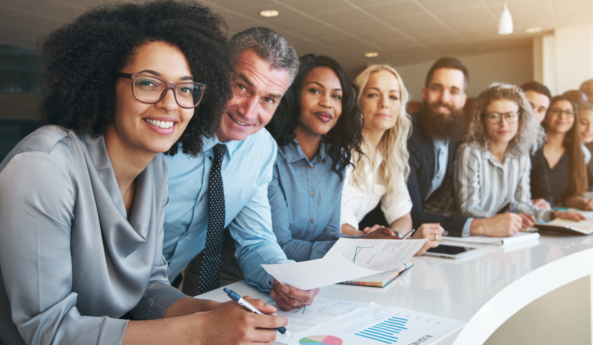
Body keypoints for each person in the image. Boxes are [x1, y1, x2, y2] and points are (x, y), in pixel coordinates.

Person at [0, 2, 287, 345]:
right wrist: (201, 328)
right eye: (148, 83)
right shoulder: (43, 167)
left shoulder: (154, 169)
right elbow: (50, 335)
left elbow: (149, 287)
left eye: (185, 89)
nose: (170, 104)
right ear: (106, 84)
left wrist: (213, 314)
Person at [162, 28, 320, 309]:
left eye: (268, 99)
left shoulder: (261, 149)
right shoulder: (166, 127)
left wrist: (284, 277)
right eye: (242, 87)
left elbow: (255, 240)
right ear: (218, 74)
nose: (248, 112)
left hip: (163, 294)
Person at [392, 57, 528, 238]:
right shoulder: (405, 135)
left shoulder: (457, 135)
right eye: (436, 88)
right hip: (383, 235)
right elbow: (410, 214)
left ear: (463, 100)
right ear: (424, 93)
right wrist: (482, 226)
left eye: (453, 91)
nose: (444, 99)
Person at [266, 54, 374, 262]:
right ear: (294, 95)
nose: (327, 103)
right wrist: (352, 251)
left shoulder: (337, 159)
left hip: (306, 277)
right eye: (315, 91)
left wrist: (367, 241)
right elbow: (280, 245)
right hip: (251, 281)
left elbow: (328, 234)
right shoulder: (270, 156)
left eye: (336, 96)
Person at [340, 64, 443, 250]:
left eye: (393, 96)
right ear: (357, 101)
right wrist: (379, 240)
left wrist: (394, 236)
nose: (384, 103)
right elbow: (338, 225)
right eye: (373, 94)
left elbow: (403, 217)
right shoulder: (340, 152)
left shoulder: (389, 156)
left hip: (360, 250)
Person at [453, 84, 584, 224]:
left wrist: (554, 215)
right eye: (494, 116)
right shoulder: (470, 152)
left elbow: (521, 205)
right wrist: (504, 221)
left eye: (510, 116)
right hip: (465, 234)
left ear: (520, 118)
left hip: (498, 232)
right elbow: (467, 209)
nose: (504, 124)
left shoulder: (521, 153)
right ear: (482, 119)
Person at [539, 95, 593, 210]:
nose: (562, 116)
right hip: (529, 219)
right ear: (545, 116)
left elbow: (569, 197)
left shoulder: (575, 153)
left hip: (561, 217)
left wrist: (585, 203)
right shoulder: (533, 149)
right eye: (556, 111)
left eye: (569, 113)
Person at [520, 81, 552, 209]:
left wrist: (544, 202)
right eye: (529, 106)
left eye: (541, 110)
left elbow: (544, 191)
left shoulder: (535, 144)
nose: (533, 114)